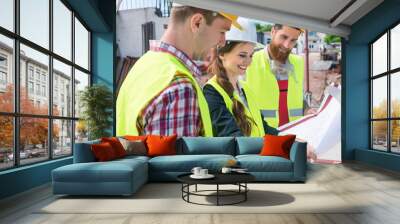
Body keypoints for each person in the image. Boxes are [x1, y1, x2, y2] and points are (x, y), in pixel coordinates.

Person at [117, 4, 242, 137]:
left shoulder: (144, 65)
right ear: (197, 23)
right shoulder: (180, 87)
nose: (223, 42)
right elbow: (177, 158)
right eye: (222, 32)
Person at [203, 21, 278, 137]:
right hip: (247, 155)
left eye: (251, 55)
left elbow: (263, 128)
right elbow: (234, 139)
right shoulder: (211, 93)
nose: (248, 62)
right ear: (222, 54)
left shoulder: (246, 88)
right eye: (242, 55)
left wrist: (290, 140)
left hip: (257, 154)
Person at [245, 24, 307, 129]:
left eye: (293, 41)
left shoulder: (298, 62)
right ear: (273, 32)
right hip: (262, 135)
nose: (287, 45)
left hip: (294, 133)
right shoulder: (250, 61)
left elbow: (299, 96)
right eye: (284, 37)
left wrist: (306, 109)